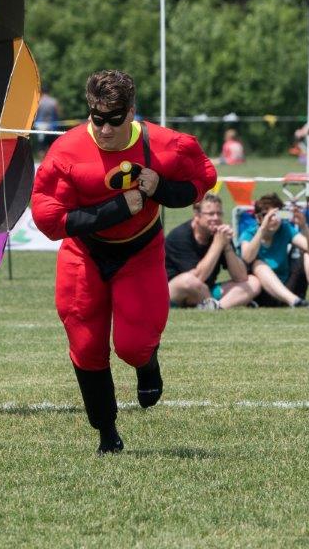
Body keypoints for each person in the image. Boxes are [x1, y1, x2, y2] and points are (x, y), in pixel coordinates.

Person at [31, 70, 216, 454]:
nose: (105, 129)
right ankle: (106, 433)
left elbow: (201, 182)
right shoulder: (66, 151)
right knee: (85, 345)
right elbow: (49, 221)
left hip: (141, 251)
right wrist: (117, 208)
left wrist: (160, 188)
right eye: (97, 118)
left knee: (132, 346)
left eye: (115, 118)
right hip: (85, 253)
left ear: (131, 112)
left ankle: (147, 363)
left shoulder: (166, 145)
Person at [239, 193, 309, 308]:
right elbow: (247, 257)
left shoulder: (285, 228)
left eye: (277, 214)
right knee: (258, 264)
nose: (274, 219)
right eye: (268, 216)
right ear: (258, 218)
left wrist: (304, 226)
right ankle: (295, 302)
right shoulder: (249, 233)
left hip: (288, 286)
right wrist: (262, 229)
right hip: (263, 292)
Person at [165, 193, 260, 309]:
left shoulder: (220, 235)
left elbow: (241, 277)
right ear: (197, 215)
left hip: (206, 290)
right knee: (188, 281)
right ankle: (219, 303)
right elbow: (198, 277)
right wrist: (217, 244)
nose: (216, 218)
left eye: (219, 213)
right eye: (210, 214)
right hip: (173, 291)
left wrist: (226, 246)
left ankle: (216, 307)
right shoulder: (179, 236)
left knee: (253, 282)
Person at [34, 85, 62, 154]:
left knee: (41, 147)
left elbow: (34, 114)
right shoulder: (53, 101)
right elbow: (59, 113)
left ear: (42, 92)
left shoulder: (38, 102)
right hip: (51, 126)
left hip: (40, 126)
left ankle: (42, 162)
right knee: (51, 146)